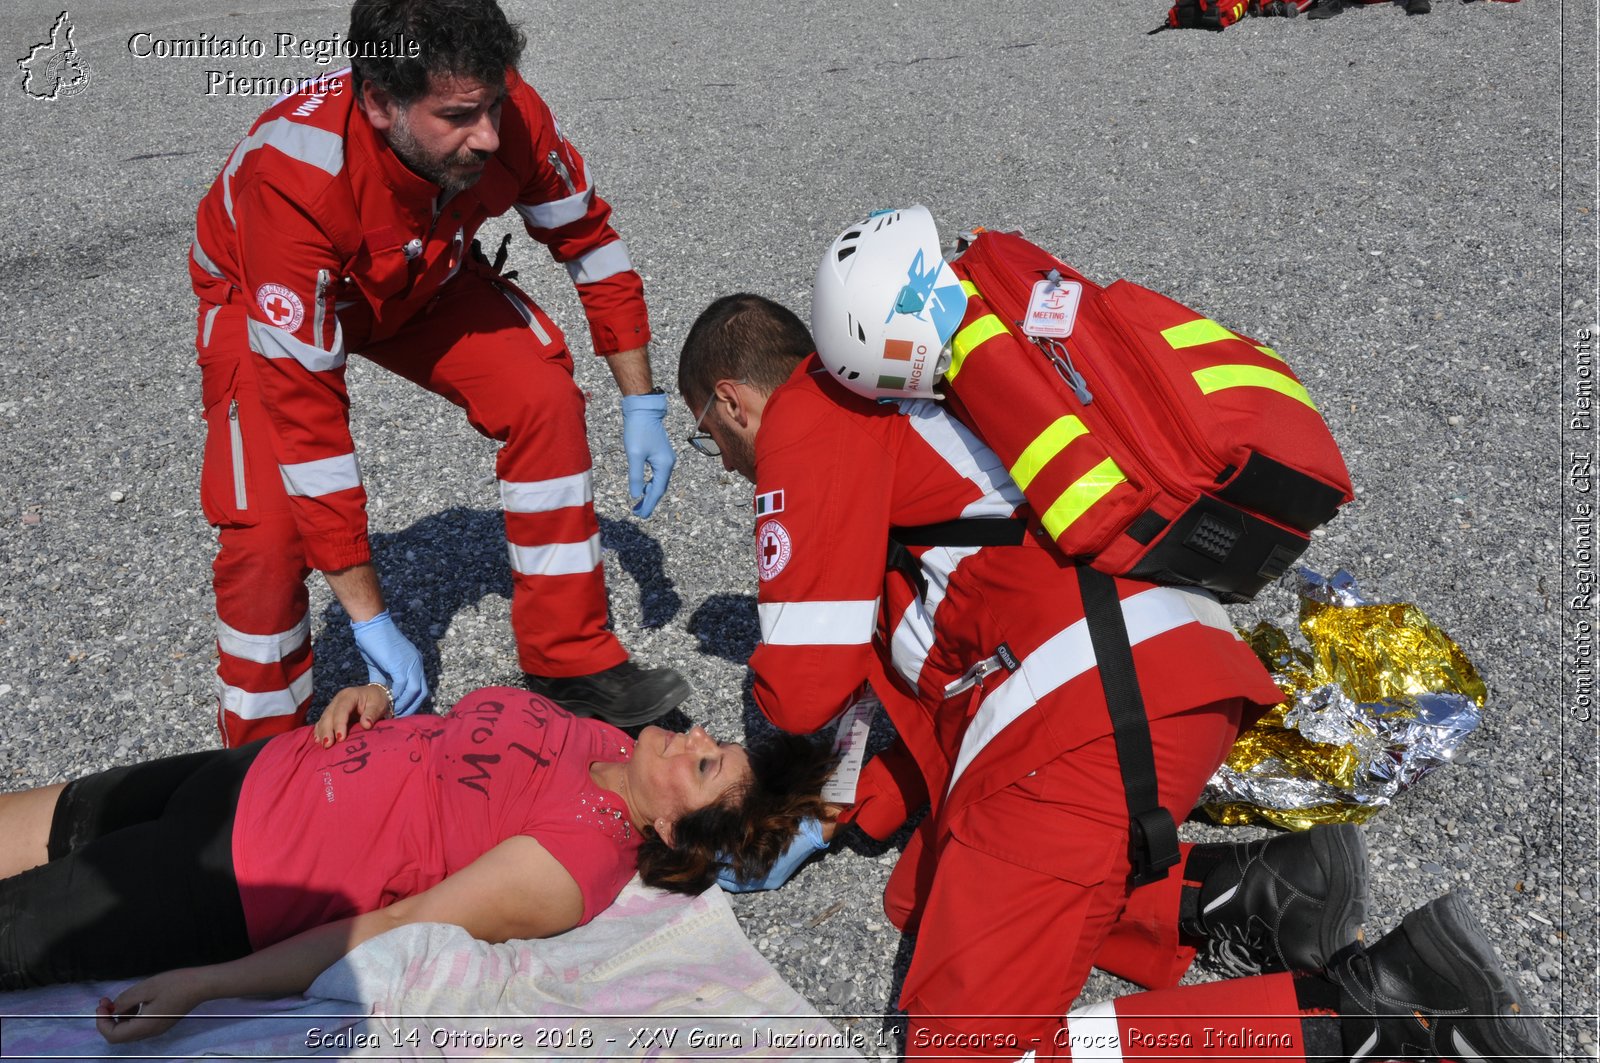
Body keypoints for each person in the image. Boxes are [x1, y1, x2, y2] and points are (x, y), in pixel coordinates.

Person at [674, 218, 1552, 1057]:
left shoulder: (806, 420)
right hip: (1156, 669)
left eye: (709, 435)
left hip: (1083, 711)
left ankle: (1390, 1013)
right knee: (938, 880)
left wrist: (755, 785)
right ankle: (1259, 890)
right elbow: (916, 707)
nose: (721, 462)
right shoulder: (905, 405)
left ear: (733, 399)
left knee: (965, 1051)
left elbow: (801, 688)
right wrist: (839, 814)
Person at [190, 0, 689, 746]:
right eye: (459, 116)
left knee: (543, 397)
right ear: (381, 103)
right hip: (263, 287)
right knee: (267, 531)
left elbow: (590, 243)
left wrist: (641, 399)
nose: (489, 135)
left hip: (419, 271)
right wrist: (372, 618)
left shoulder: (507, 111)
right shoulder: (292, 181)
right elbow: (310, 423)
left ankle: (569, 657)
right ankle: (258, 762)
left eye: (492, 105)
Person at [0, 685, 833, 1045]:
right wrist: (375, 702)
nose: (693, 738)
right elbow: (457, 748)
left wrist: (206, 983)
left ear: (670, 829)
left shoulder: (575, 862)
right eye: (711, 742)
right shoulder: (610, 740)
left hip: (238, 876)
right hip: (253, 772)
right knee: (33, 816)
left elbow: (394, 924)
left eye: (702, 766)